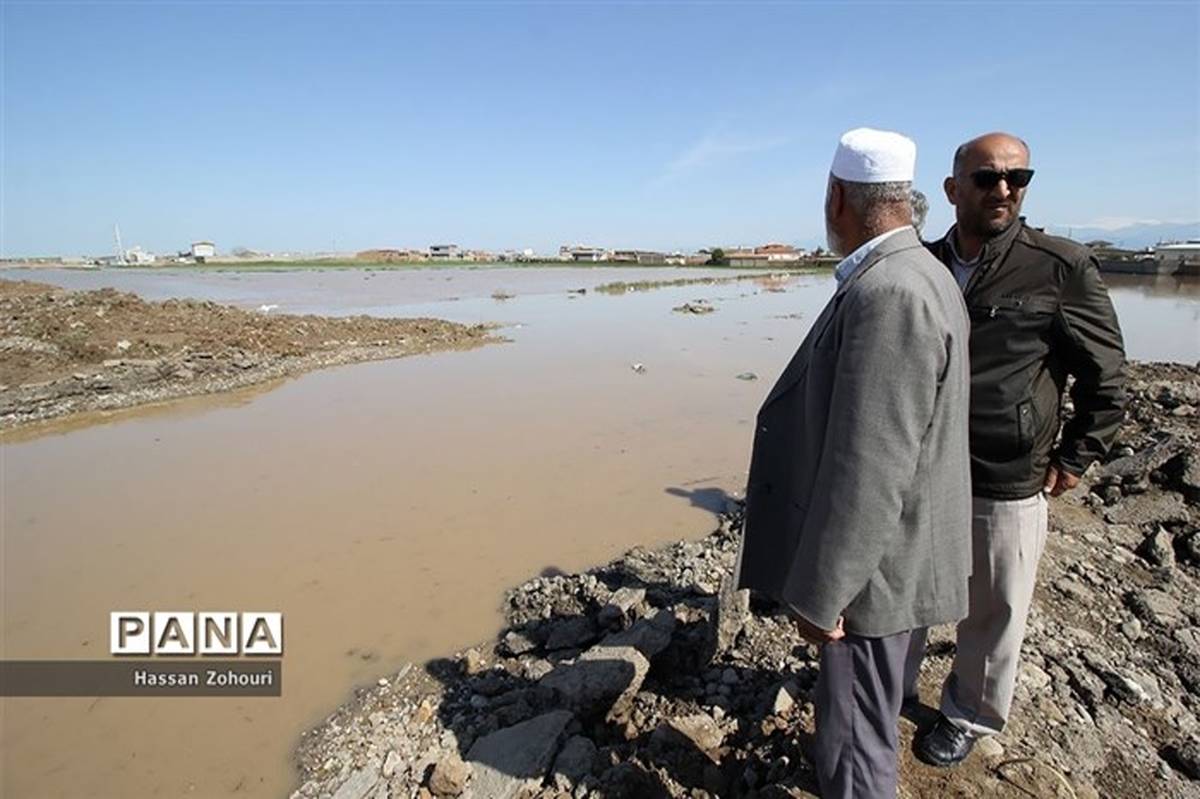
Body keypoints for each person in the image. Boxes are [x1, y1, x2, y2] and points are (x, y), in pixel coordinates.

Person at [737, 128, 972, 798]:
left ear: (837, 196)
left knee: (853, 742)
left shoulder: (890, 291)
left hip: (875, 578)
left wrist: (823, 590)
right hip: (904, 554)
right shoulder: (924, 270)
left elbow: (870, 465)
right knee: (876, 710)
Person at [906, 132, 1127, 767]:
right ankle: (891, 684)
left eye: (1017, 177)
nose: (1003, 189)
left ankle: (969, 714)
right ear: (953, 190)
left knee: (995, 607)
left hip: (1006, 469)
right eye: (986, 178)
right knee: (909, 591)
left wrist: (1077, 456)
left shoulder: (1059, 266)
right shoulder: (922, 264)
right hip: (922, 468)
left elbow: (1106, 372)